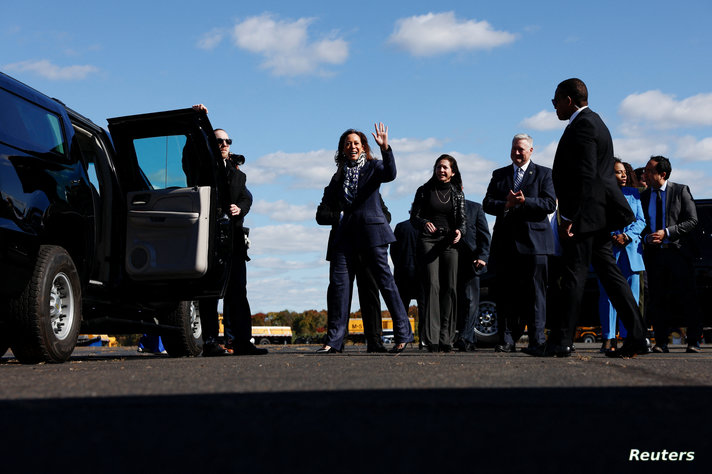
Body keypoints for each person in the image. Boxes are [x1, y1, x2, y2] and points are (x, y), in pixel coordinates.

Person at [532, 78, 649, 358]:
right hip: (597, 216)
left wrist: (574, 217)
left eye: (555, 100)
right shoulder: (597, 122)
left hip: (587, 216)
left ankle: (562, 341)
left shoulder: (583, 125)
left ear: (569, 100)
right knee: (610, 277)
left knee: (573, 277)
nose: (554, 106)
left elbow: (588, 176)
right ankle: (637, 336)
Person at [317, 124, 414, 354]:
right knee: (339, 288)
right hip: (344, 238)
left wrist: (386, 148)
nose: (352, 146)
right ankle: (334, 341)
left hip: (372, 235)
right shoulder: (338, 175)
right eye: (348, 143)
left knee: (386, 284)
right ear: (342, 148)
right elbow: (326, 204)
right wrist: (337, 211)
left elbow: (390, 173)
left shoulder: (373, 166)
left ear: (363, 148)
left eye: (356, 143)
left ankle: (403, 333)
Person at [192, 104, 267, 356]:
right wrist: (201, 120)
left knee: (238, 293)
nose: (224, 144)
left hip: (234, 242)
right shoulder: (202, 168)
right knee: (210, 293)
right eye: (219, 141)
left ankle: (241, 342)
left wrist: (240, 209)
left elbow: (248, 197)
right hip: (210, 241)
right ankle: (211, 342)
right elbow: (187, 156)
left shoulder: (238, 175)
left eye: (227, 141)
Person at [483, 134, 556, 353]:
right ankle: (507, 339)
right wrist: (506, 203)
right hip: (506, 245)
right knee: (505, 294)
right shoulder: (500, 175)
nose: (517, 152)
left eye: (521, 149)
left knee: (535, 295)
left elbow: (550, 203)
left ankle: (536, 339)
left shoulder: (544, 174)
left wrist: (526, 202)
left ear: (531, 151)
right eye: (514, 148)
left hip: (535, 245)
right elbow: (487, 203)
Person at [640, 156, 702, 353]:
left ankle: (693, 341)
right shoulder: (644, 196)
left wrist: (667, 232)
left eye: (649, 171)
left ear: (662, 174)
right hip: (655, 256)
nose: (645, 174)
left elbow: (692, 220)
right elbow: (641, 225)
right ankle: (661, 342)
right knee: (658, 299)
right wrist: (647, 238)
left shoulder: (680, 190)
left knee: (688, 298)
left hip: (678, 254)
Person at [317, 190, 392, 353]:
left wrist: (369, 220)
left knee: (370, 293)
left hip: (367, 247)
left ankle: (374, 341)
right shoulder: (335, 187)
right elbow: (321, 215)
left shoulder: (371, 188)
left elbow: (387, 215)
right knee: (338, 294)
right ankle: (336, 341)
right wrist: (344, 216)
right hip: (341, 247)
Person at [410, 155, 466, 352]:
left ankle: (446, 338)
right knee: (432, 285)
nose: (441, 170)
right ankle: (431, 338)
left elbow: (462, 221)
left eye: (445, 168)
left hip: (450, 241)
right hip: (428, 240)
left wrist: (460, 231)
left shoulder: (457, 193)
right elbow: (414, 216)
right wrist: (424, 222)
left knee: (450, 287)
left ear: (452, 172)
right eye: (438, 167)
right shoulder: (424, 190)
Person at [598, 158, 646, 352]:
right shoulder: (601, 195)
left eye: (625, 171)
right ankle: (609, 338)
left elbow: (641, 221)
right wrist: (613, 235)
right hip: (609, 251)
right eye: (618, 172)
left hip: (632, 251)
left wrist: (627, 235)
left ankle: (628, 336)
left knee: (632, 298)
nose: (624, 175)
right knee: (607, 297)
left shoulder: (634, 194)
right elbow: (599, 220)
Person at [454, 198, 490, 352]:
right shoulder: (440, 207)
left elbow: (484, 235)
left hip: (471, 262)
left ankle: (465, 337)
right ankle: (469, 338)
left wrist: (482, 257)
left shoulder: (474, 208)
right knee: (458, 302)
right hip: (449, 262)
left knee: (470, 300)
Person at [391, 218, 422, 344]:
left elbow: (393, 249)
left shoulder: (400, 226)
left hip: (402, 272)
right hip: (422, 272)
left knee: (400, 308)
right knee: (424, 308)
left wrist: (398, 264)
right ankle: (424, 339)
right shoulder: (427, 227)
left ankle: (401, 338)